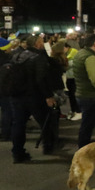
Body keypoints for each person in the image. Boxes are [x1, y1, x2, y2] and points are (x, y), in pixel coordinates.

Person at [7, 34, 56, 163]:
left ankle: (17, 152)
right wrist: (48, 96)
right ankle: (48, 145)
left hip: (17, 95)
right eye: (41, 42)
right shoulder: (38, 58)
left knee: (18, 124)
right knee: (44, 121)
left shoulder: (16, 56)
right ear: (37, 44)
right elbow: (41, 79)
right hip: (34, 96)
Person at [72, 34, 95, 147]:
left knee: (86, 123)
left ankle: (83, 144)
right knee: (88, 124)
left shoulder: (80, 53)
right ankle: (83, 147)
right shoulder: (90, 57)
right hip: (90, 96)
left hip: (82, 93)